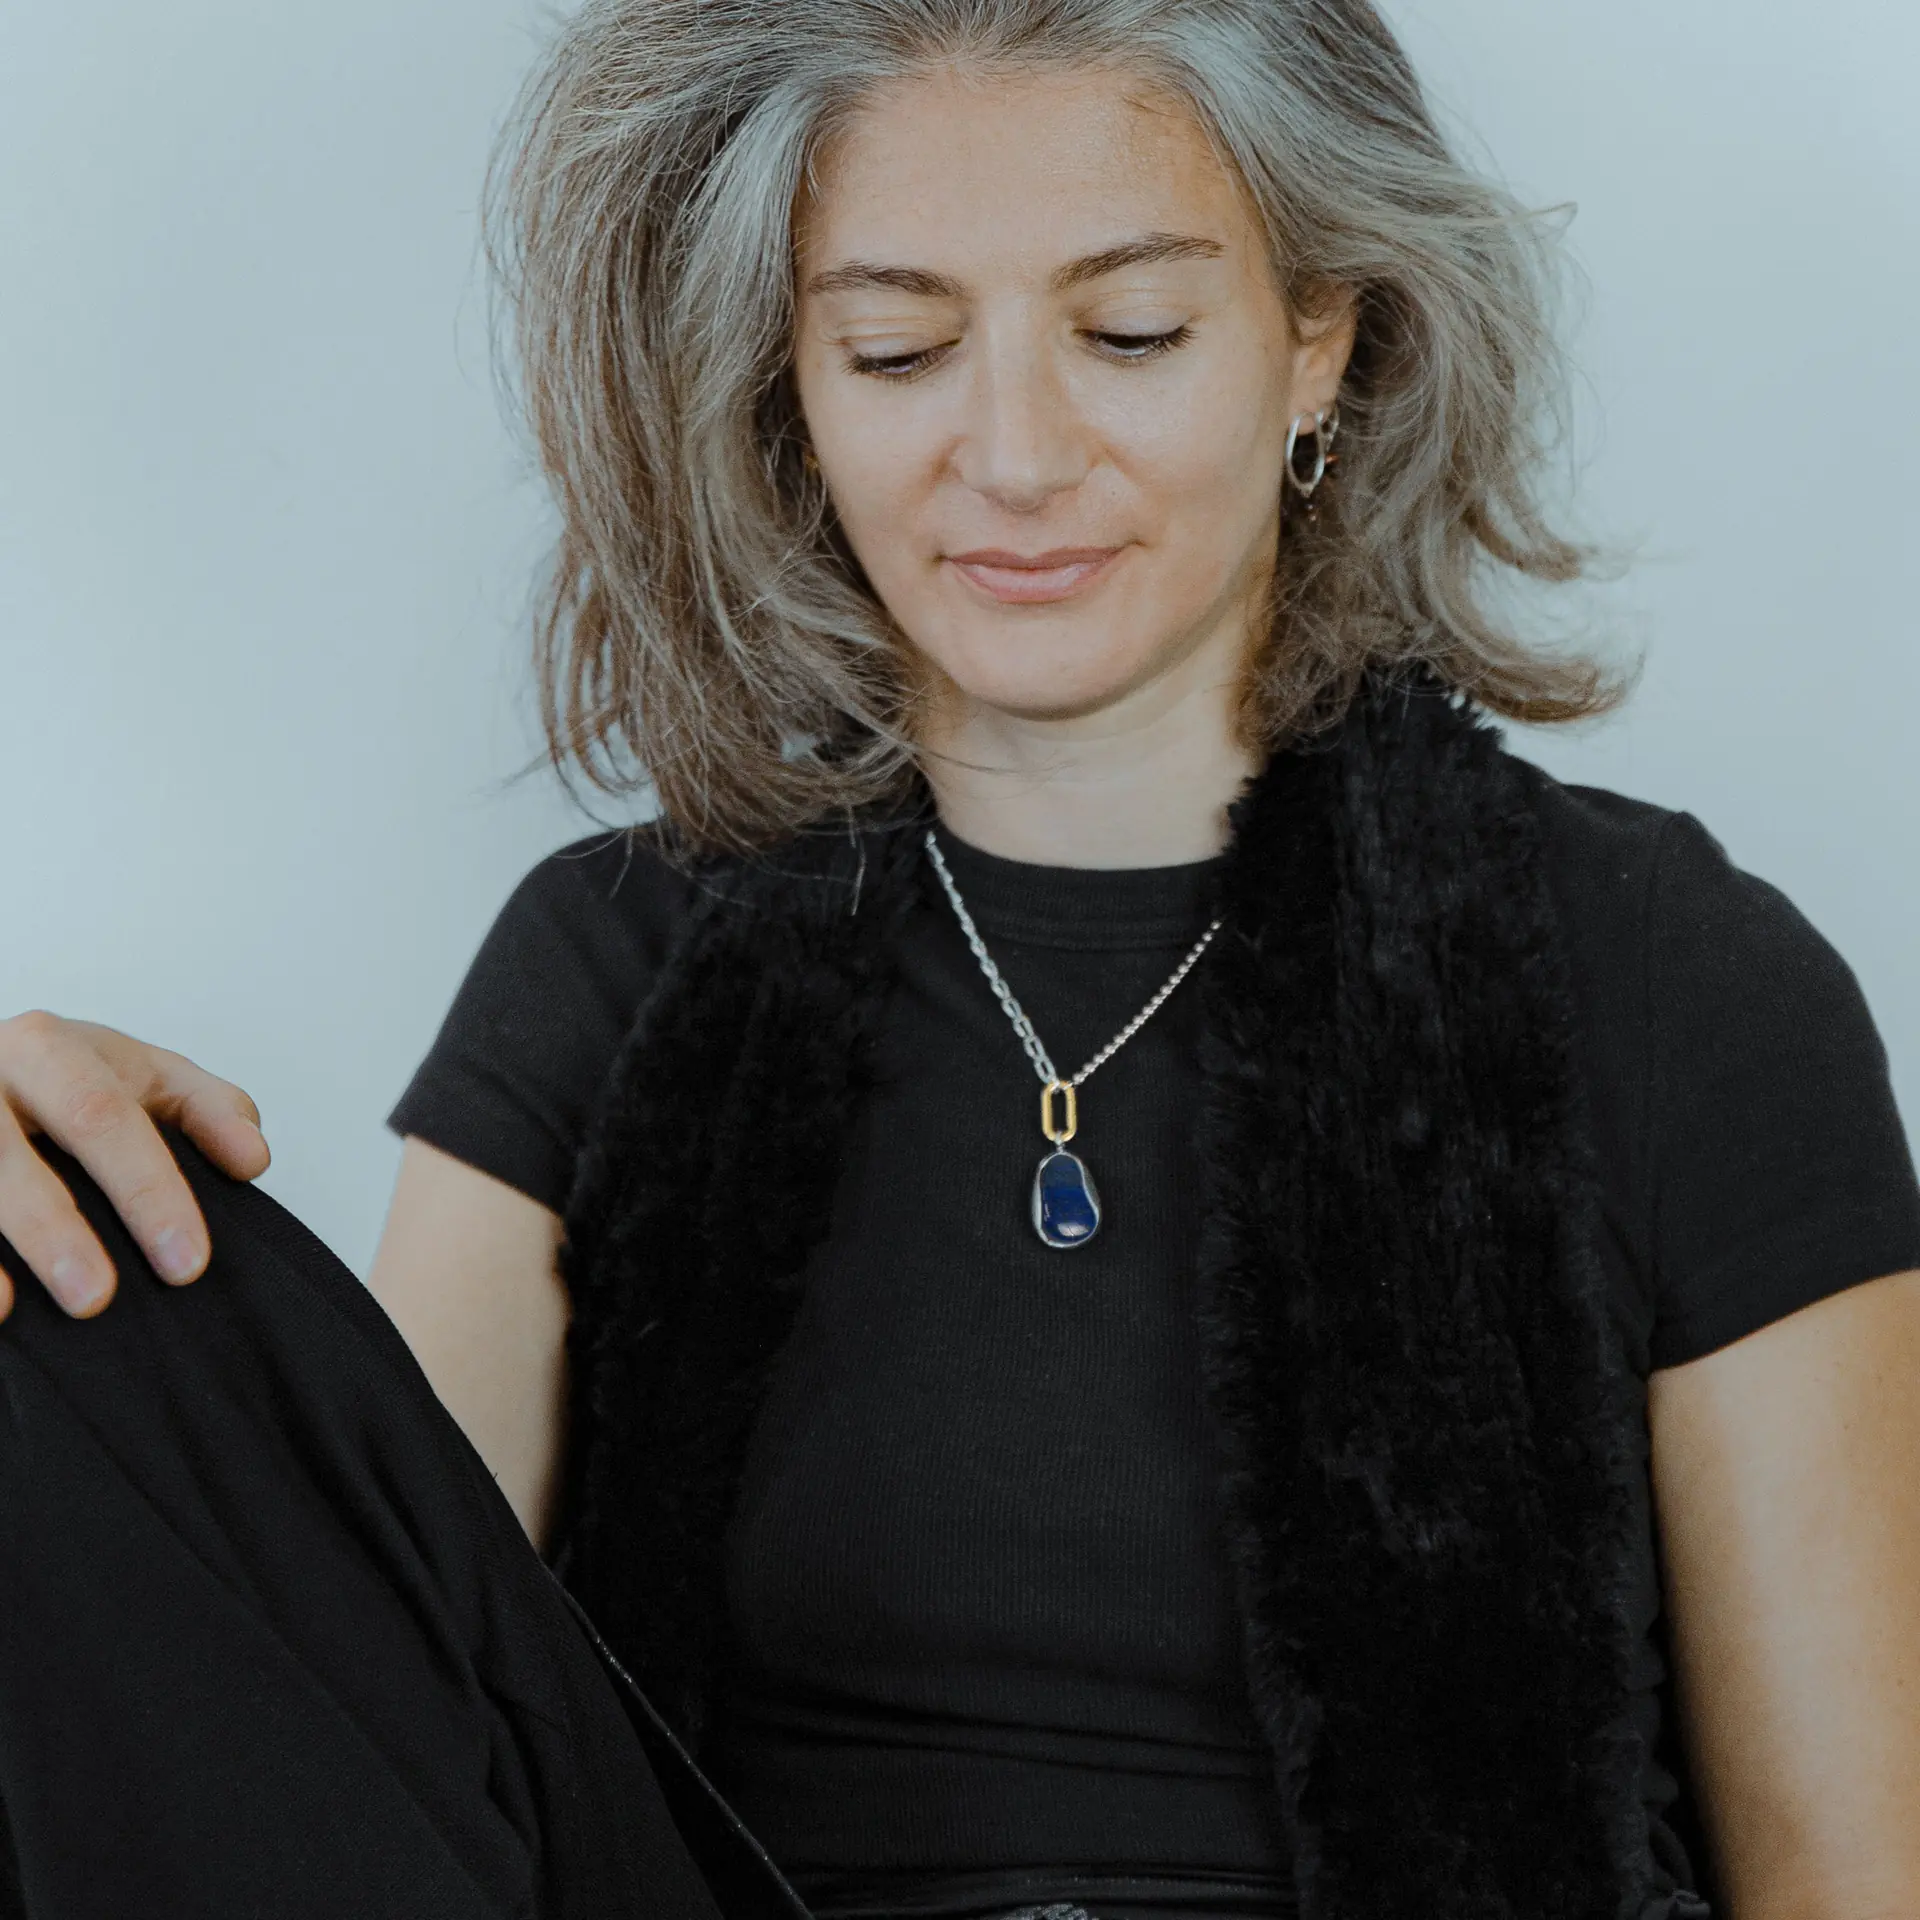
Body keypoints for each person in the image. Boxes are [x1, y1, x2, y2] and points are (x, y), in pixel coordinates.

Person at [3, 1, 1919, 1916]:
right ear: (791, 386)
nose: (1013, 455)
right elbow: (360, 1731)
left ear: (1319, 339)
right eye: (898, 350)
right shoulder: (610, 965)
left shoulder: (1681, 983)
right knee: (77, 1289)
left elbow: (1847, 1882)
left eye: (1131, 333)